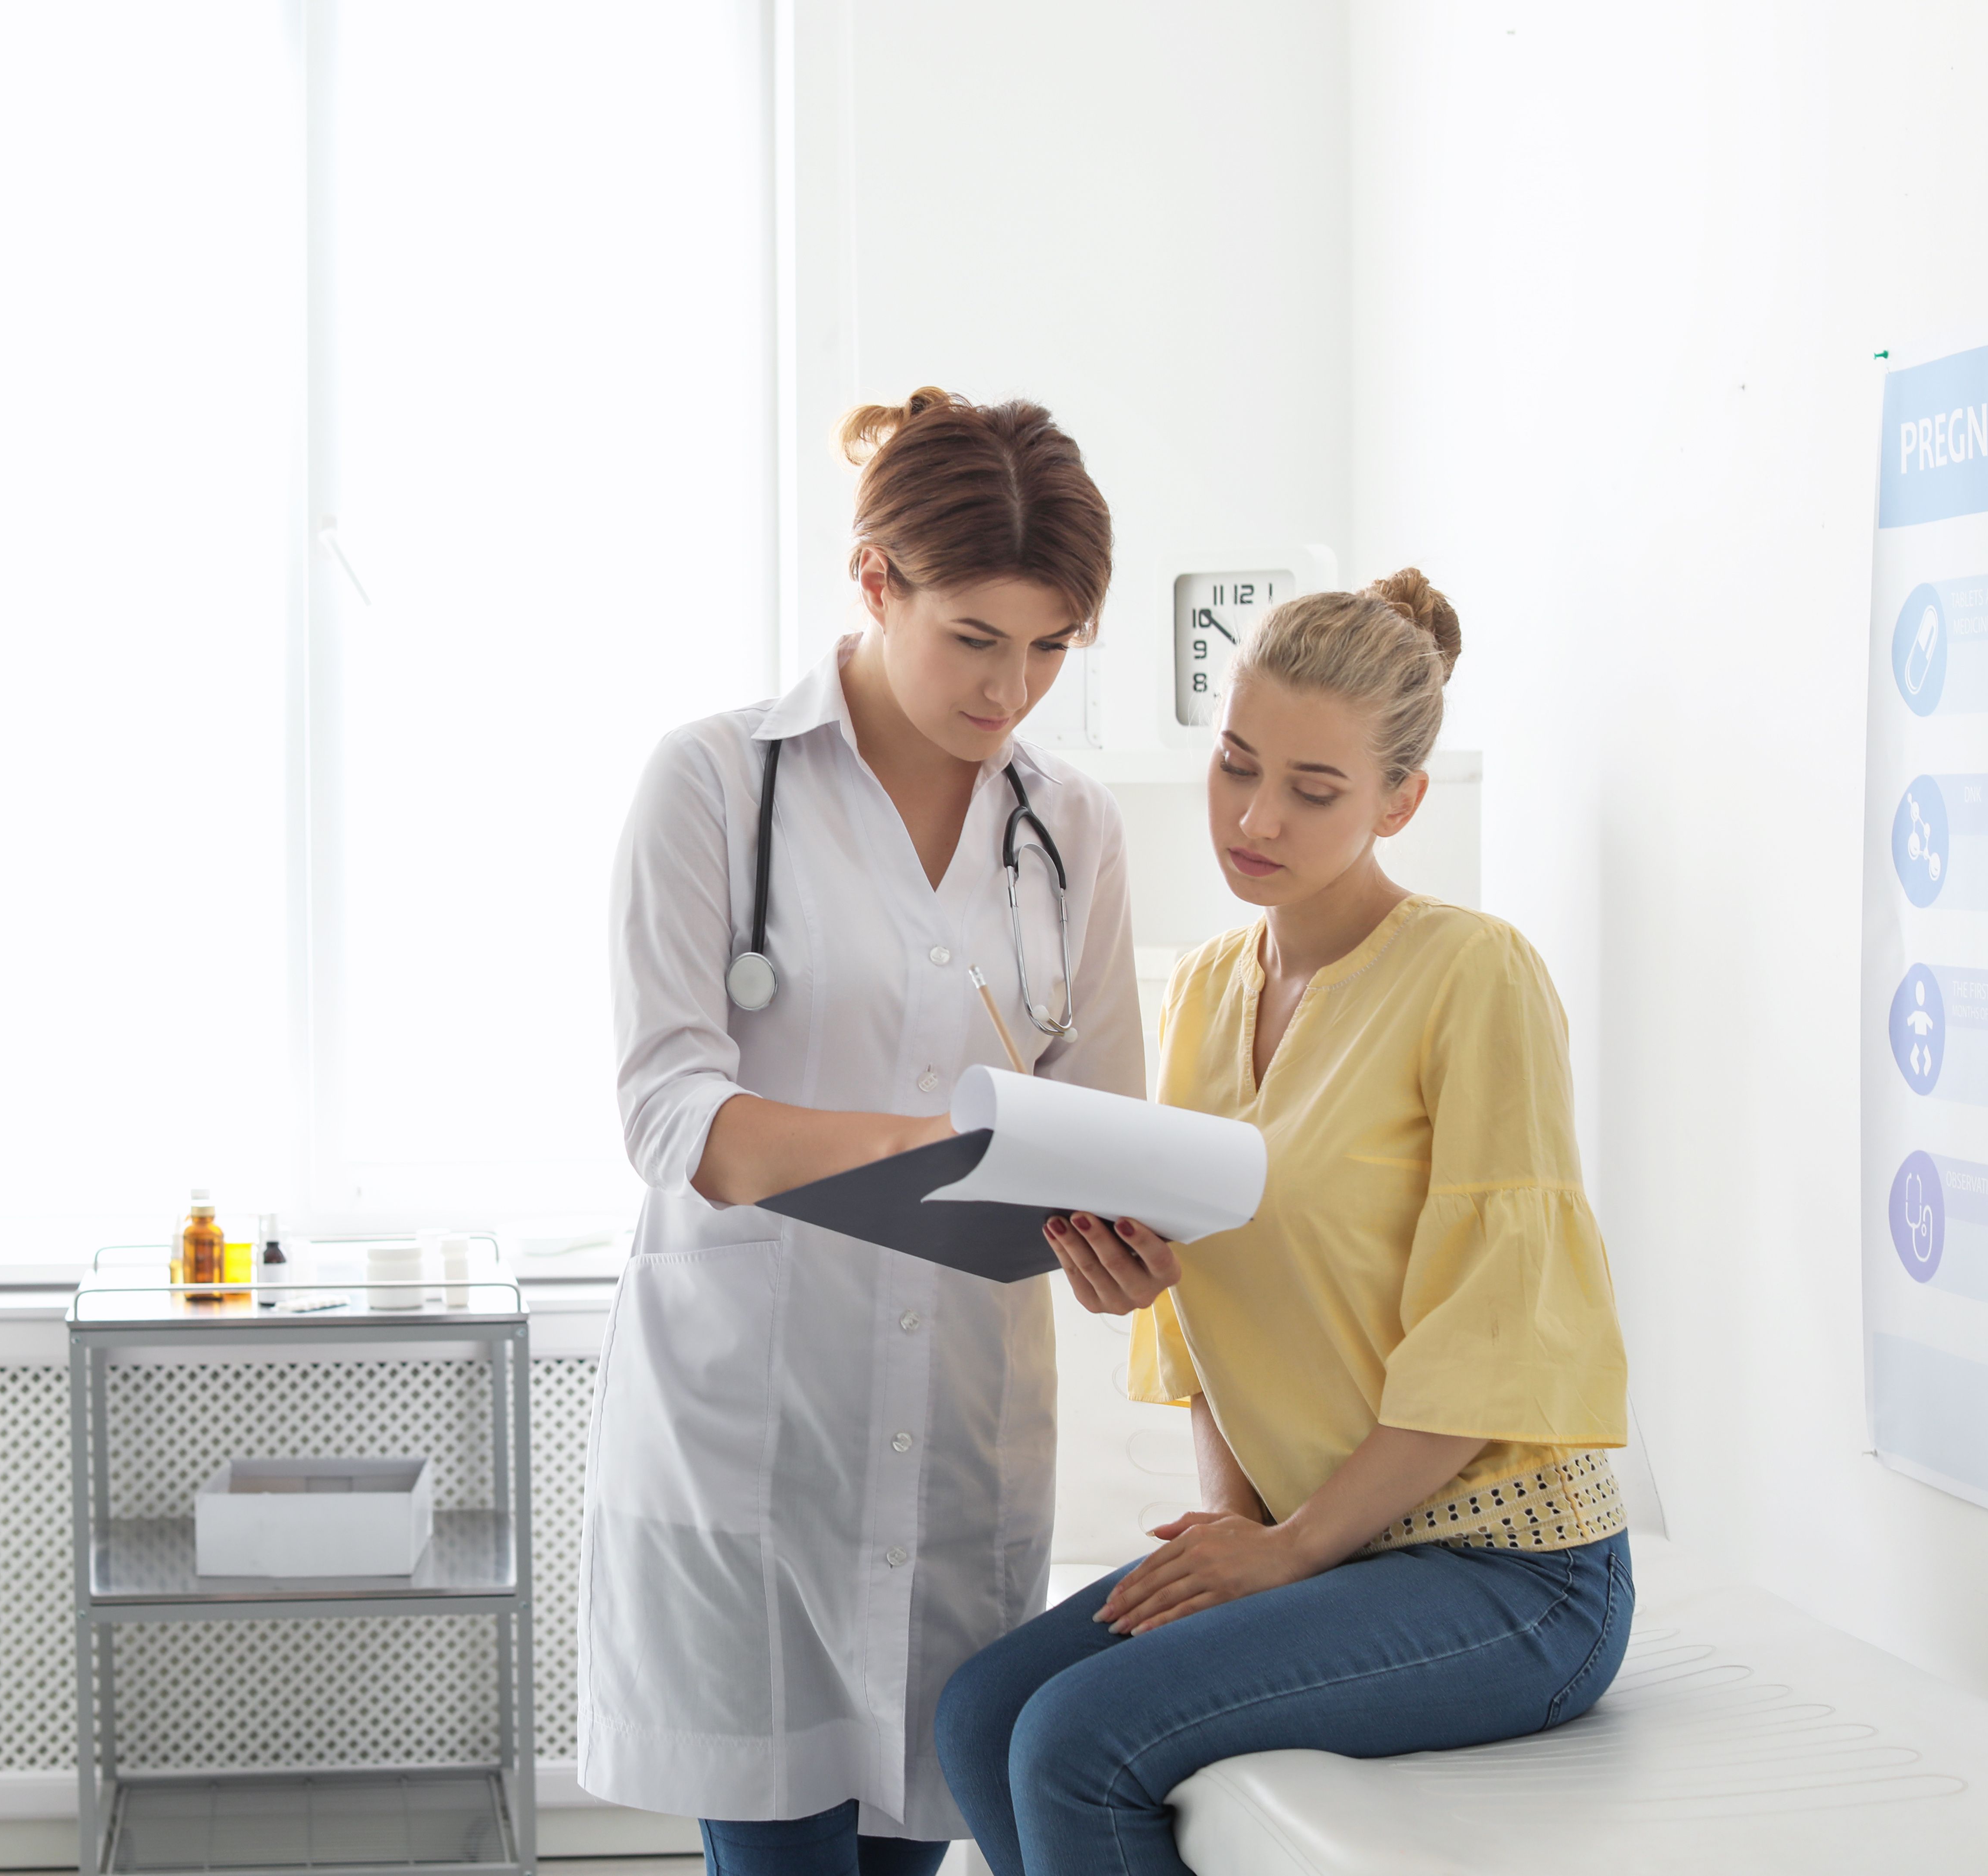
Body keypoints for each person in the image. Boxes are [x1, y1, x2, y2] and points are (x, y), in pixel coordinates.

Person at [933, 570, 1634, 1876]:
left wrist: (1290, 1552)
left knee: (1074, 1742)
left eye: (1313, 791)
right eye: (1235, 765)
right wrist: (1225, 1508)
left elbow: (1493, 1331)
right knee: (980, 1714)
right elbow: (1208, 1301)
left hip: (1509, 1572)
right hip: (1325, 1544)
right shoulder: (1202, 990)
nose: (1255, 818)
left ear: (1399, 803)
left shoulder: (1472, 976)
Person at [584, 389, 1145, 1876]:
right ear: (875, 579)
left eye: (1049, 646)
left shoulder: (1069, 827)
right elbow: (669, 1108)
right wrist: (925, 1146)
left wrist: (1123, 1240)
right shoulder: (713, 781)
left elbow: (1098, 1120)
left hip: (960, 1428)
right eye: (974, 636)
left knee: (910, 1850)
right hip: (755, 1429)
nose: (1009, 687)